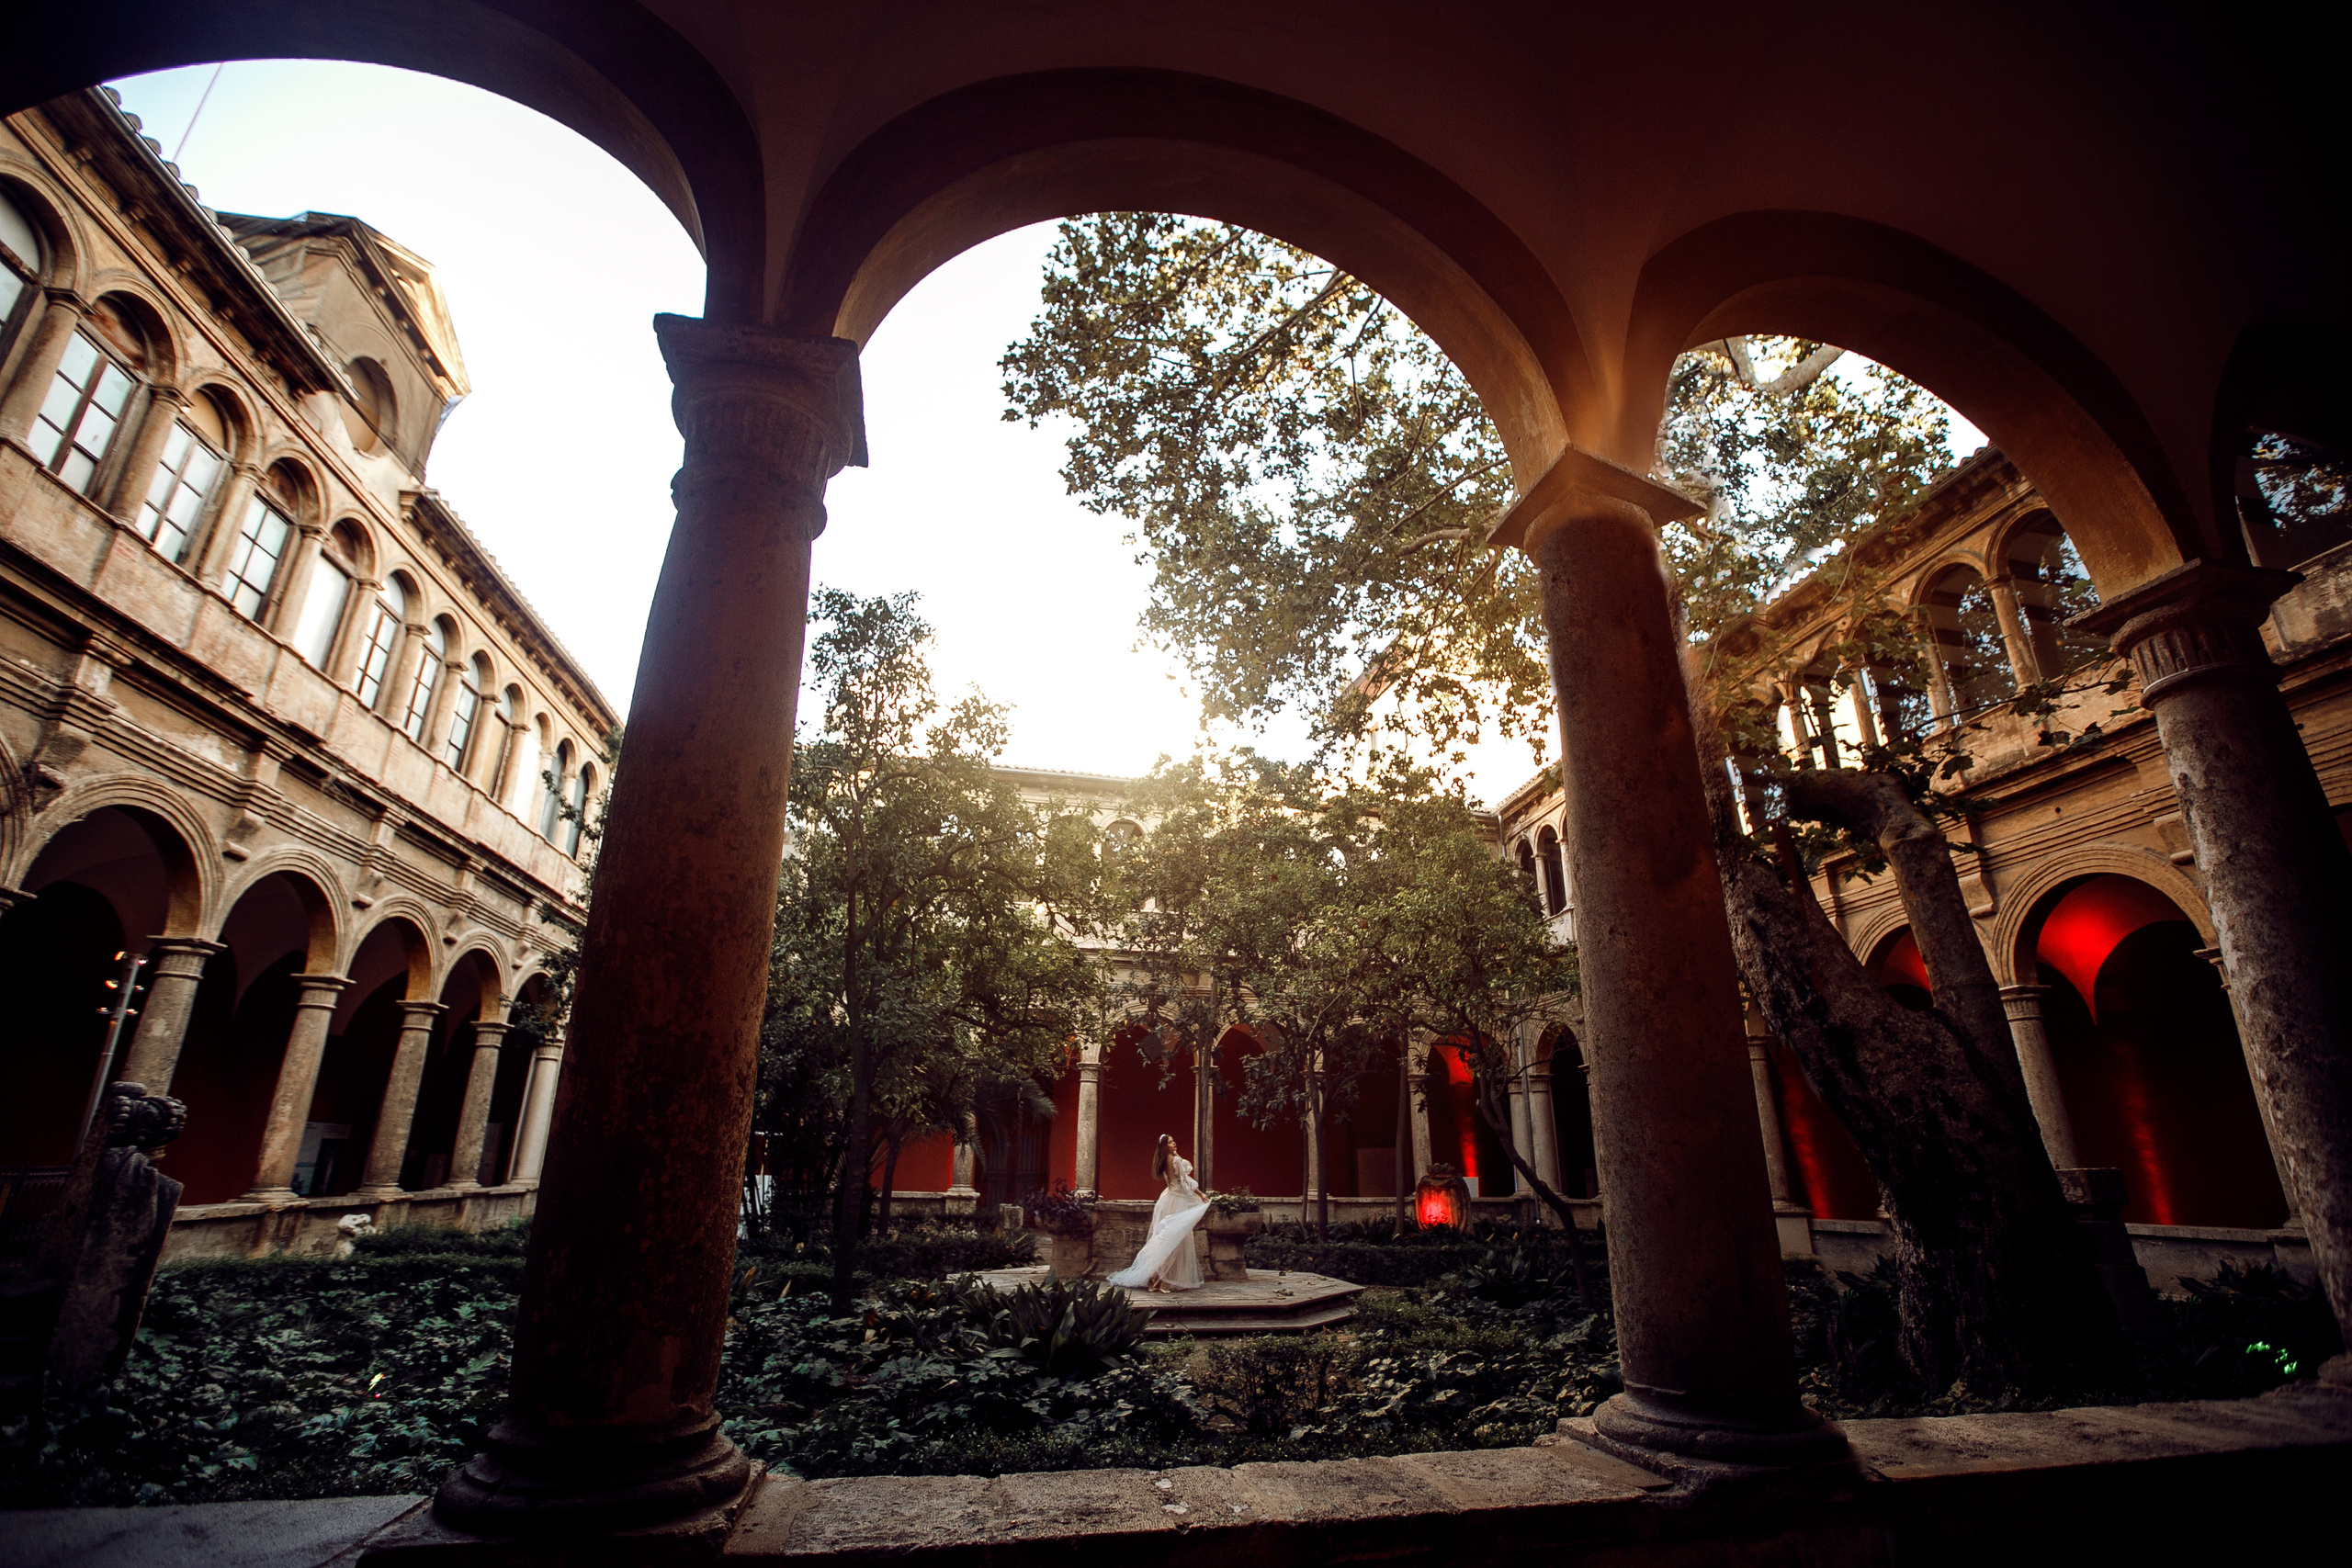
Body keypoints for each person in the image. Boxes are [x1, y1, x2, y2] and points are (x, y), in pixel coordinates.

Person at [1107, 1133, 1211, 1292]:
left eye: (1173, 1141)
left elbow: (1184, 1170)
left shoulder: (1163, 1160)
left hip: (1166, 1198)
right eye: (1170, 1142)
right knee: (1174, 1239)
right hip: (1176, 1200)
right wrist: (1201, 1194)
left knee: (1165, 1237)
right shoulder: (1175, 1160)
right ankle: (1163, 1280)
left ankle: (1155, 1277)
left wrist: (1176, 1153)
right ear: (1165, 1146)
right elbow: (1185, 1180)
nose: (1174, 1143)